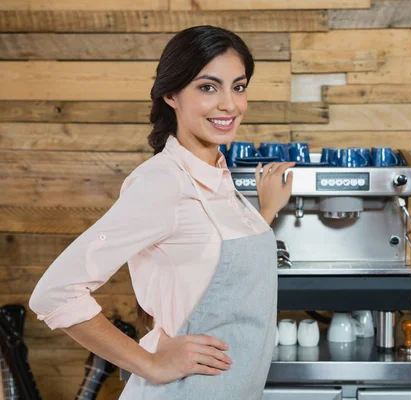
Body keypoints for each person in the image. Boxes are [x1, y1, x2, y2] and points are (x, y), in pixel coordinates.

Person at [29, 25, 295, 399]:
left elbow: (213, 266)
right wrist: (149, 363)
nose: (229, 105)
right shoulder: (163, 184)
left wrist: (266, 212)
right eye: (208, 87)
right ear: (172, 94)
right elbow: (54, 293)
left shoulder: (217, 176)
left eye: (238, 86)